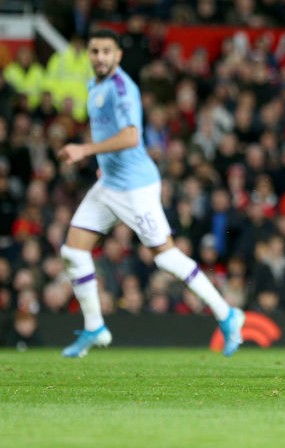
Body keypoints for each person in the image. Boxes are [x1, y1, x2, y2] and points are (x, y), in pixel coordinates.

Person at [57, 28, 245, 358]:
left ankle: (228, 314)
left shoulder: (122, 88)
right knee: (73, 251)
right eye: (94, 51)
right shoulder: (94, 85)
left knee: (166, 257)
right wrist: (103, 160)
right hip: (110, 183)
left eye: (106, 51)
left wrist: (86, 150)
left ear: (118, 55)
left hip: (135, 188)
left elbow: (131, 137)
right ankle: (94, 328)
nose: (99, 57)